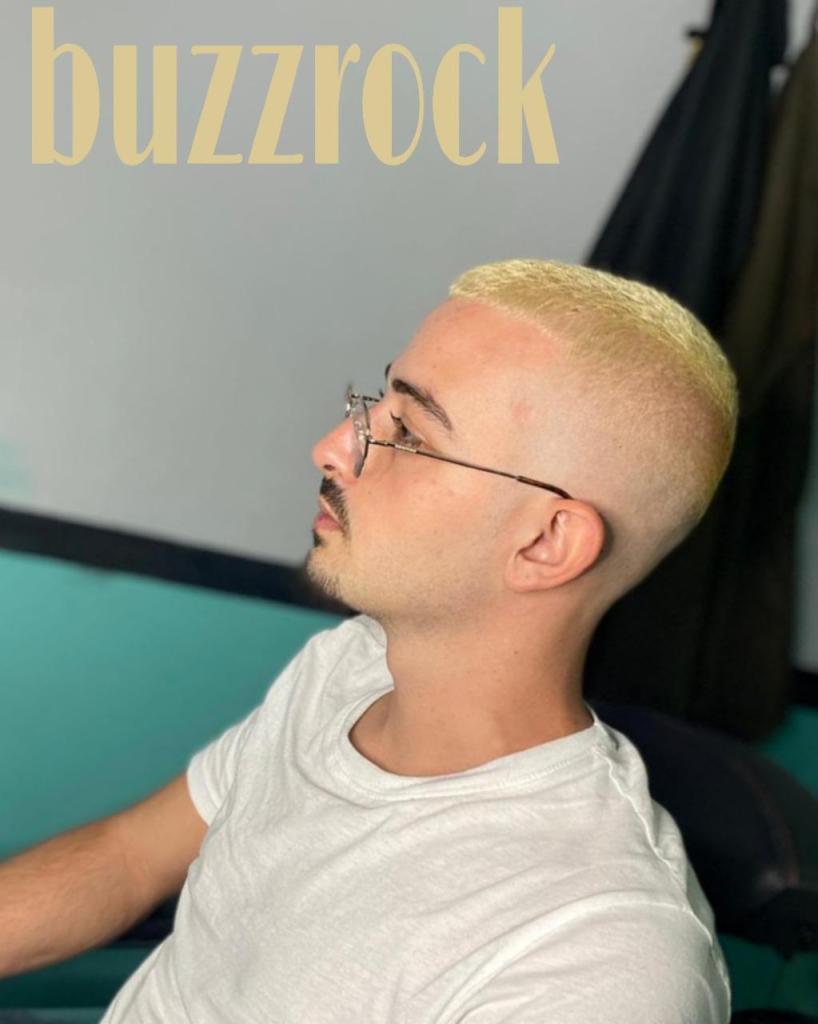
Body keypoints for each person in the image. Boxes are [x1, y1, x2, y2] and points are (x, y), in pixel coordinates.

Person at [0, 259, 736, 1022]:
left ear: (547, 542)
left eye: (409, 434)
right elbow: (128, 858)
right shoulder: (347, 668)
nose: (331, 448)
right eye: (375, 407)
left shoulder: (599, 958)